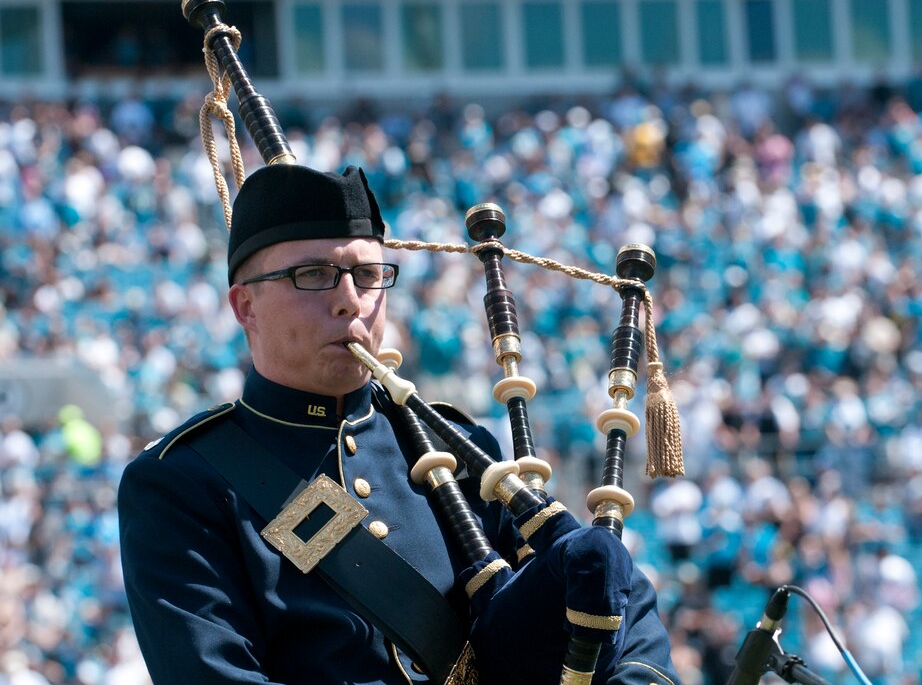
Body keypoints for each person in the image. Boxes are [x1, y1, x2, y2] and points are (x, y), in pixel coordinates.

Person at [117, 163, 679, 685]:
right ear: (245, 307)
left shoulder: (457, 446)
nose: (350, 302)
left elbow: (605, 592)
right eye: (313, 275)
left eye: (366, 274)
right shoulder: (181, 482)